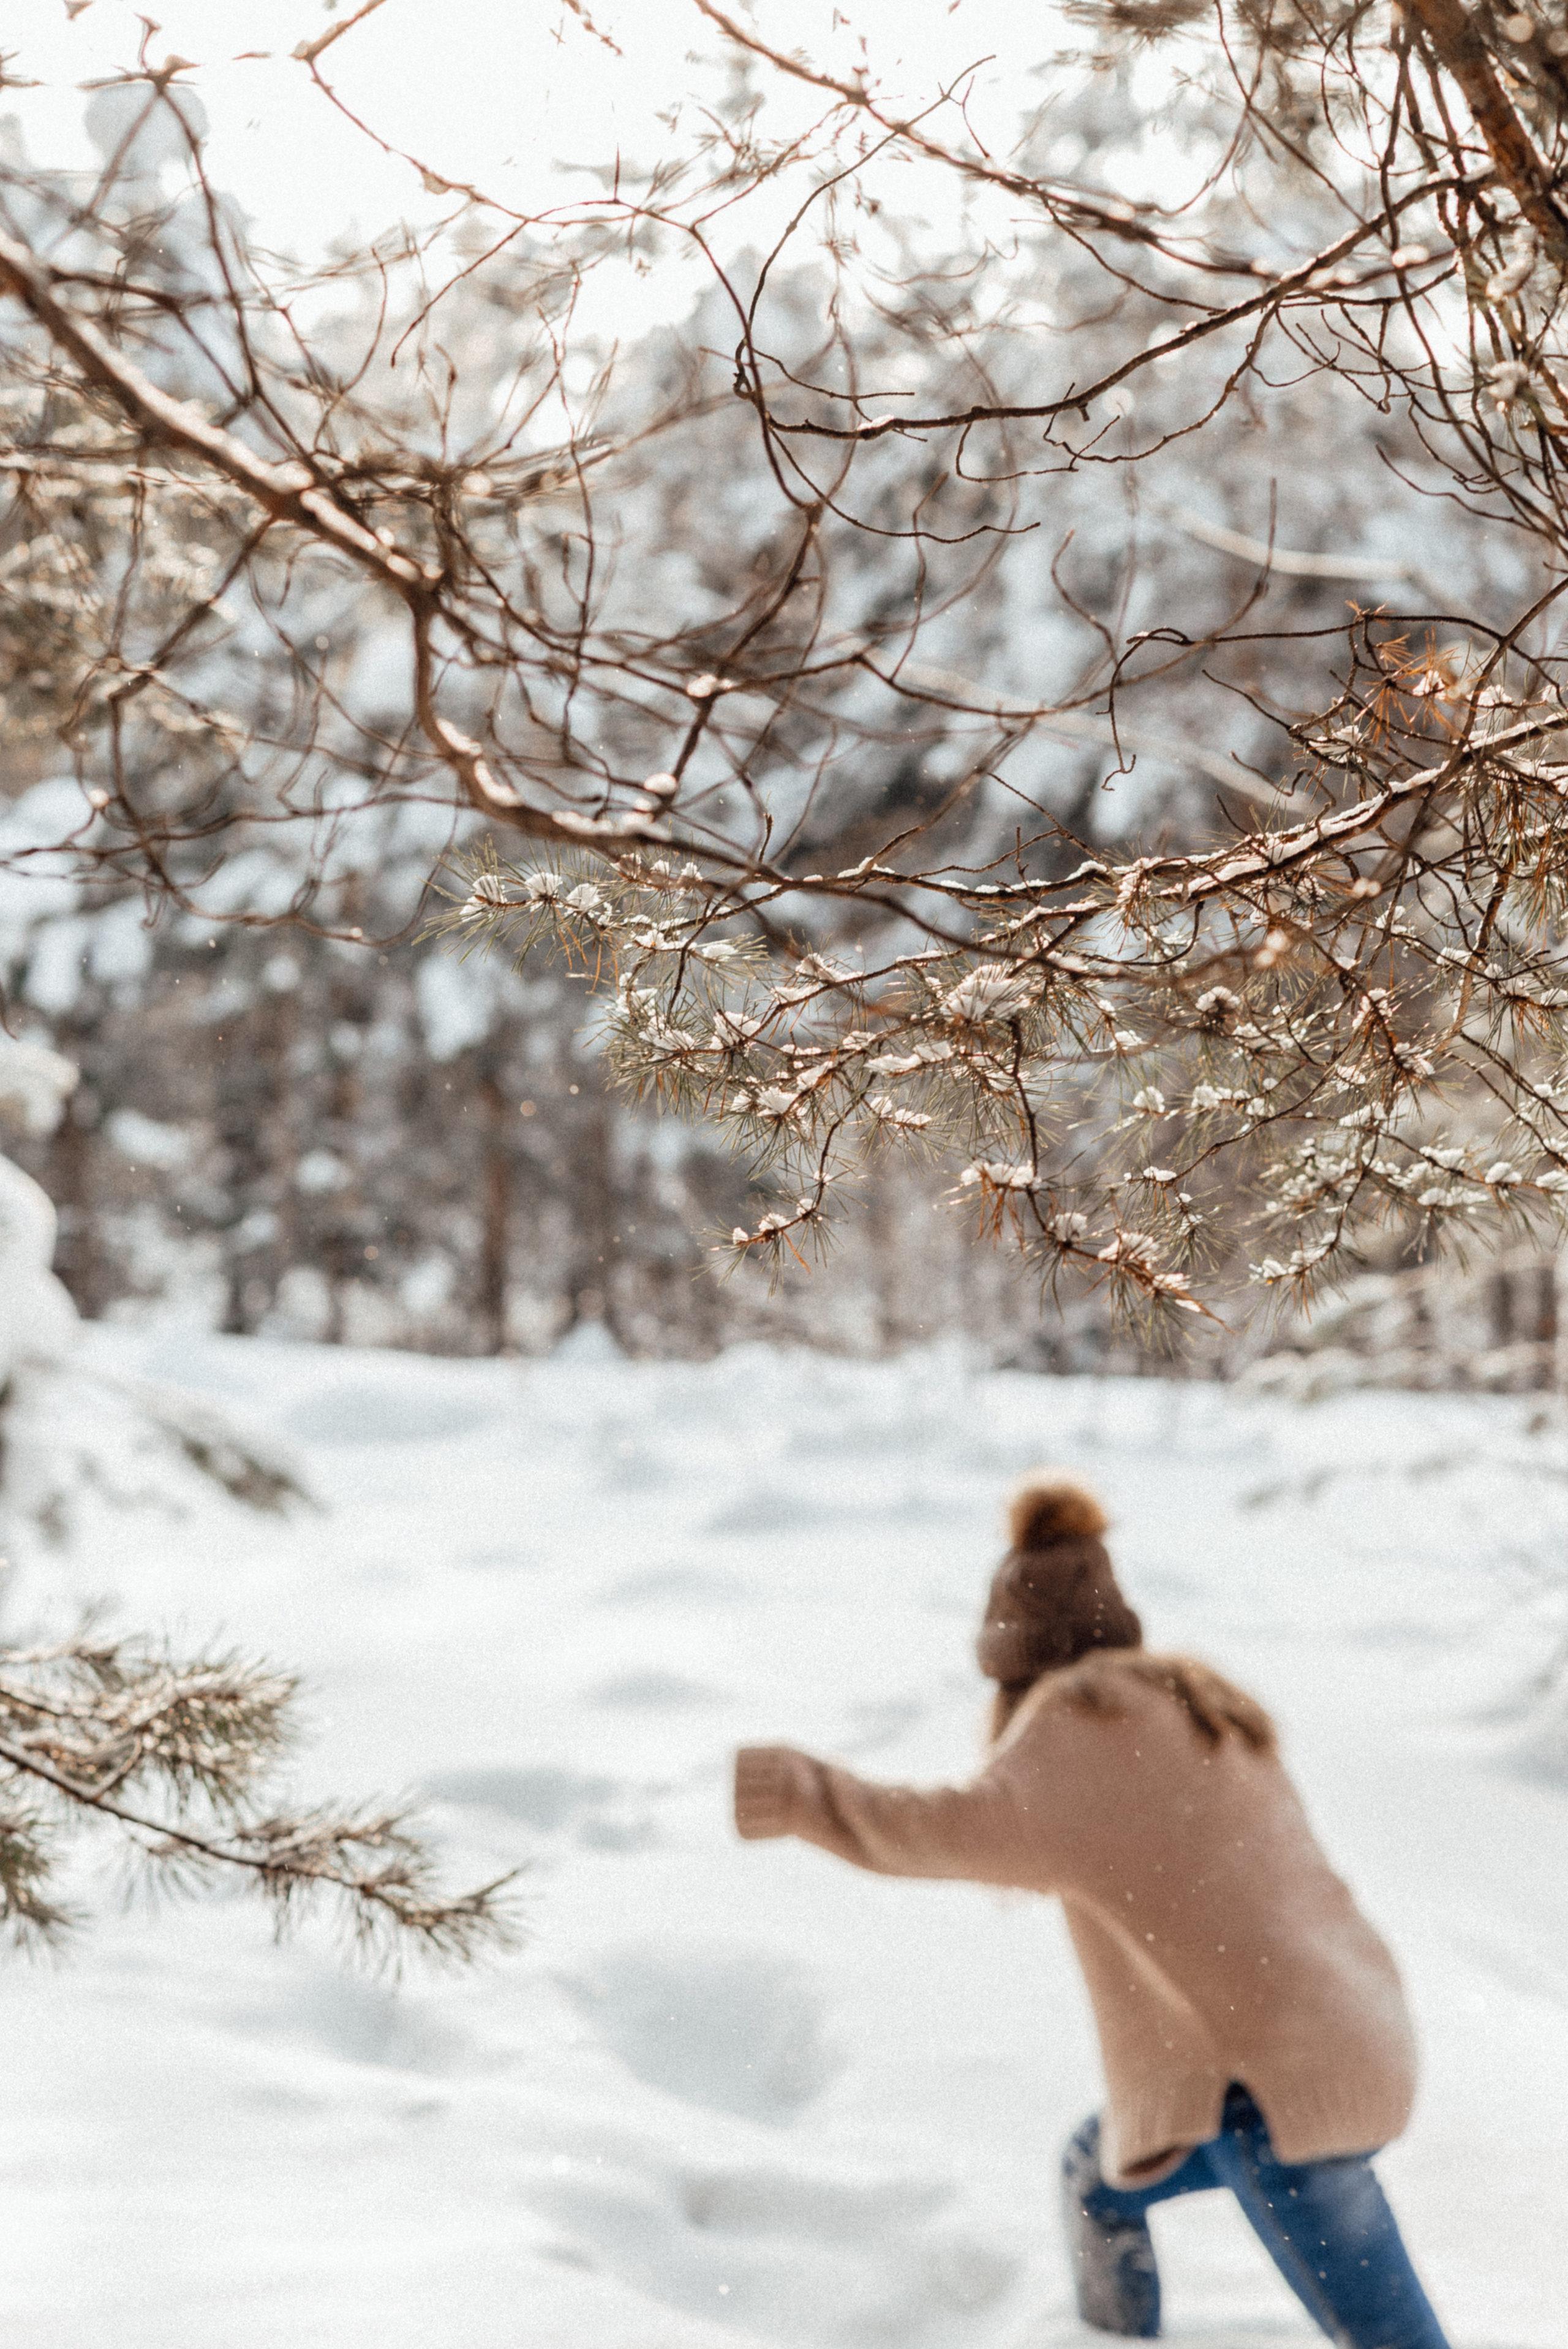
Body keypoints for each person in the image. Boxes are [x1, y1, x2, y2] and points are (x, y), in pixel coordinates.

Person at [732, 1471, 1451, 2348]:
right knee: (1096, 2177)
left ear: (1018, 1665)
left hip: (1272, 2097)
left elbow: (931, 1830)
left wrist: (794, 1789)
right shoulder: (1194, 1701)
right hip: (1352, 2042)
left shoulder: (1076, 1729)